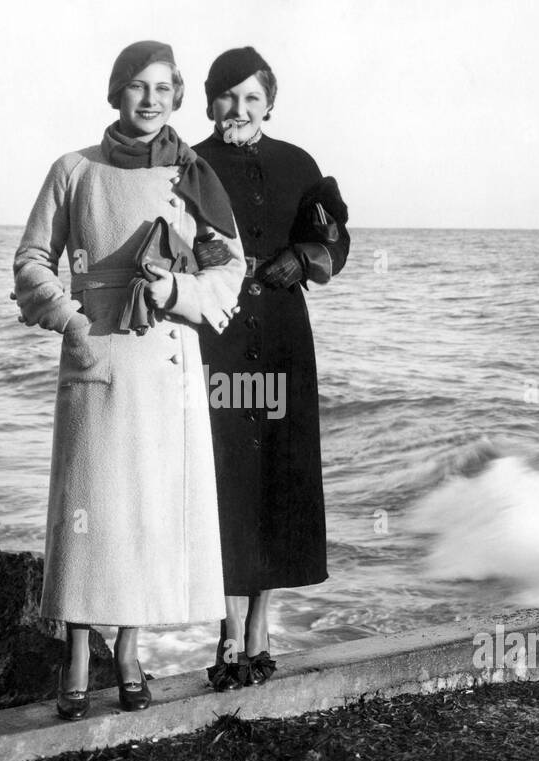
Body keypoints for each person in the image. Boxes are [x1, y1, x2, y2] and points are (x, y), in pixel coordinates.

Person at [12, 40, 246, 719]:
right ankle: (78, 656)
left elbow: (229, 270)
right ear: (115, 93)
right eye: (136, 87)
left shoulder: (191, 174)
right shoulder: (73, 170)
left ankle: (130, 652)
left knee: (146, 509)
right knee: (89, 514)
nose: (149, 100)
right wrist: (68, 317)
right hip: (96, 353)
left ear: (176, 98)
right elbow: (30, 262)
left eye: (162, 89)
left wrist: (174, 289)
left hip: (165, 361)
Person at [194, 47, 350, 689]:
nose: (239, 109)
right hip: (217, 339)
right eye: (228, 97)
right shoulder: (189, 164)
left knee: (277, 479)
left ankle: (262, 632)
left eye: (252, 98)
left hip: (284, 340)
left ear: (269, 104)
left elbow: (335, 233)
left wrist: (303, 256)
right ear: (209, 102)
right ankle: (229, 638)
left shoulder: (299, 164)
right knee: (225, 479)